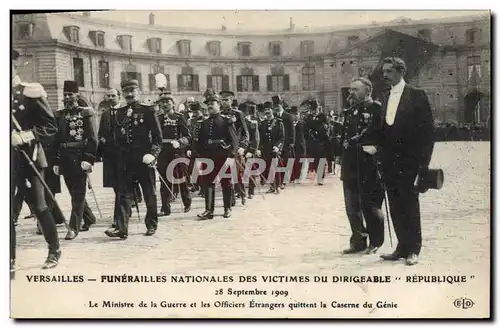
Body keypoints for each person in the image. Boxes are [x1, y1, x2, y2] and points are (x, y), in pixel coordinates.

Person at [368, 57, 435, 266]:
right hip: (389, 163)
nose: (384, 75)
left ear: (401, 71)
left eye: (388, 71)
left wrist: (422, 165)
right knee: (395, 205)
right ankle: (401, 246)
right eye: (383, 72)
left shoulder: (416, 95)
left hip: (410, 162)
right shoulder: (385, 96)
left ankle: (414, 249)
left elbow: (427, 133)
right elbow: (383, 129)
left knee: (410, 205)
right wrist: (375, 147)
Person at [11, 48, 61, 274]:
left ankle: (54, 249)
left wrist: (25, 135)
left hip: (28, 157)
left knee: (39, 207)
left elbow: (50, 126)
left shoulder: (29, 92)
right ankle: (9, 258)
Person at [104, 79, 163, 238]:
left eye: (132, 91)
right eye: (126, 91)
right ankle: (122, 229)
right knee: (124, 195)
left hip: (144, 159)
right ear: (122, 93)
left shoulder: (148, 110)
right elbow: (117, 138)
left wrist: (153, 154)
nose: (129, 94)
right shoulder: (119, 112)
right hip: (125, 161)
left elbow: (157, 138)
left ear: (139, 92)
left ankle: (151, 224)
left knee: (149, 193)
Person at [339, 77, 385, 254]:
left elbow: (384, 136)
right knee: (351, 206)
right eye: (350, 89)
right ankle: (358, 240)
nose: (350, 92)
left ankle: (375, 241)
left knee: (370, 205)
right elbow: (345, 136)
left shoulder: (377, 109)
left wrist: (377, 149)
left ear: (368, 91)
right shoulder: (350, 111)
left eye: (355, 90)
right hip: (350, 164)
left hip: (368, 165)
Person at [52, 80, 98, 240]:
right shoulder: (60, 114)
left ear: (77, 95)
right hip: (65, 159)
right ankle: (90, 218)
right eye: (65, 95)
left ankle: (73, 227)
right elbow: (56, 141)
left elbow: (93, 139)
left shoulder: (85, 113)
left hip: (79, 158)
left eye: (70, 94)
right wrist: (56, 161)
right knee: (74, 193)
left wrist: (89, 159)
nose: (67, 97)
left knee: (78, 194)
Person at [196, 93, 238, 220]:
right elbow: (200, 141)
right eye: (207, 104)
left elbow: (234, 141)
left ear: (218, 105)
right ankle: (209, 210)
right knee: (208, 182)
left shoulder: (226, 121)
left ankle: (227, 208)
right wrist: (200, 155)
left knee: (226, 182)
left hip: (223, 156)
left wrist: (231, 155)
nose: (209, 106)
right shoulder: (204, 123)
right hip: (208, 157)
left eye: (212, 104)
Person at [156, 91, 192, 216]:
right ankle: (165, 207)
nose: (165, 104)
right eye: (163, 102)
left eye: (168, 102)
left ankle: (187, 202)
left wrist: (180, 142)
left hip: (176, 151)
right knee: (163, 180)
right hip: (162, 152)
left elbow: (188, 136)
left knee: (180, 178)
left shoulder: (179, 117)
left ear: (173, 103)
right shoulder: (158, 118)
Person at [219, 90, 249, 206]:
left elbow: (245, 133)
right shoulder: (219, 114)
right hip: (222, 149)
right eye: (222, 100)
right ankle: (230, 199)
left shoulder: (238, 114)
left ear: (231, 100)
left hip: (235, 148)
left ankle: (242, 194)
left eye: (226, 100)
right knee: (226, 175)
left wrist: (243, 146)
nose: (224, 102)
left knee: (237, 174)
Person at [258, 103, 285, 194]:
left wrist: (278, 146)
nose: (267, 111)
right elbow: (260, 138)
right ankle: (272, 186)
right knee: (268, 168)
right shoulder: (262, 124)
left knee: (275, 168)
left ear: (272, 110)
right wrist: (259, 148)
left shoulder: (278, 122)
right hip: (266, 149)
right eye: (265, 110)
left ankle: (277, 186)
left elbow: (282, 137)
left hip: (275, 149)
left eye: (269, 109)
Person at [304, 99, 330, 185]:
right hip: (312, 142)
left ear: (319, 108)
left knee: (321, 160)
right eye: (313, 110)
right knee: (314, 161)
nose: (314, 111)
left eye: (316, 109)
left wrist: (317, 130)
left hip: (321, 141)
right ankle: (317, 173)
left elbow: (326, 127)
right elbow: (306, 129)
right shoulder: (308, 117)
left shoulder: (323, 116)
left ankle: (320, 177)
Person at [272, 95, 295, 189]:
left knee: (286, 162)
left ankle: (285, 181)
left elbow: (292, 130)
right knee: (278, 162)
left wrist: (292, 142)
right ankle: (279, 181)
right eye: (275, 106)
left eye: (278, 106)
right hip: (278, 143)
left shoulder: (288, 116)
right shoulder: (274, 116)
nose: (276, 108)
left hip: (286, 143)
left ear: (281, 105)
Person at [245, 103, 261, 199]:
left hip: (251, 147)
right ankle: (240, 191)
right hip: (242, 148)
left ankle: (251, 191)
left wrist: (253, 149)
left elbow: (256, 138)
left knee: (252, 170)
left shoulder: (253, 123)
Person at [290, 106, 307, 183]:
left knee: (300, 162)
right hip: (292, 146)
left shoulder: (303, 123)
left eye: (297, 114)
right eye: (294, 114)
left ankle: (298, 176)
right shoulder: (289, 124)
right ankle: (292, 176)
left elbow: (307, 135)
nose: (296, 115)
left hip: (300, 146)